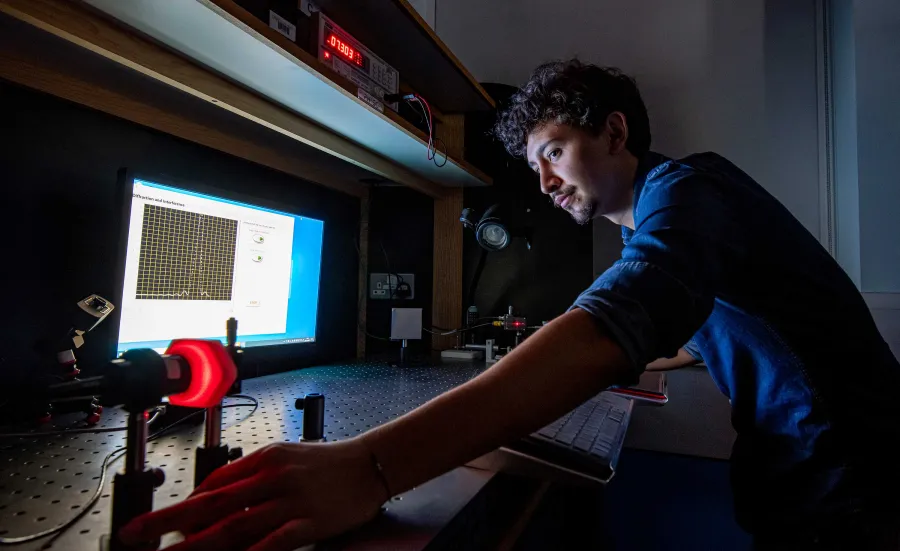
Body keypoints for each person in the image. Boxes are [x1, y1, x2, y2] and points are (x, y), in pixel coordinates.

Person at [118, 60, 900, 550]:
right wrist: (635, 355)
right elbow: (696, 325)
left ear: (616, 131)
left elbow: (624, 317)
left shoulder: (688, 189)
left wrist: (370, 463)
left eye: (554, 151)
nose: (546, 181)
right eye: (535, 166)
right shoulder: (668, 219)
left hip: (853, 492)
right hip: (807, 481)